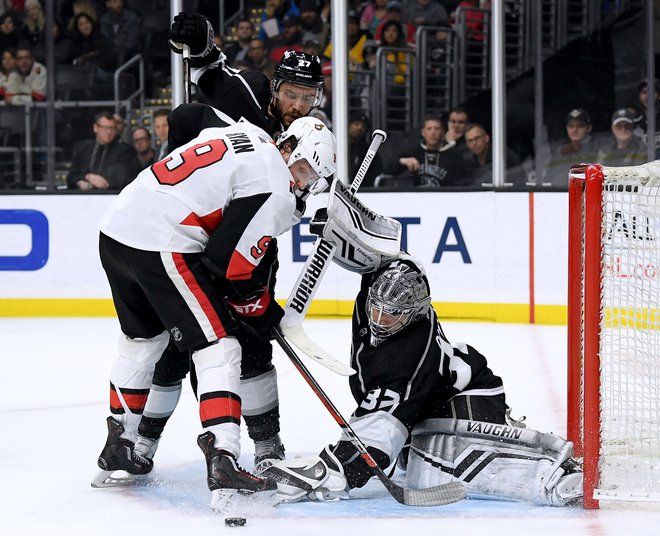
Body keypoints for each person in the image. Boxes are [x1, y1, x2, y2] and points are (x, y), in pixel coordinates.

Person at [261, 193, 583, 507]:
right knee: (413, 457)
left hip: (469, 395)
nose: (380, 319)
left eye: (392, 313)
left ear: (413, 312)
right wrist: (340, 224)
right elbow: (383, 247)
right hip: (428, 403)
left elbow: (381, 426)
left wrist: (337, 470)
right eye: (377, 308)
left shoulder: (407, 355)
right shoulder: (383, 287)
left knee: (432, 469)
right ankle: (504, 438)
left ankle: (552, 474)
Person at [92, 109, 337, 511]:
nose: (305, 183)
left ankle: (120, 440)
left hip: (117, 228)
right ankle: (223, 457)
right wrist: (261, 310)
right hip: (162, 241)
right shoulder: (277, 188)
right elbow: (227, 267)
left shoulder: (248, 132)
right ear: (294, 153)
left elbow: (192, 116)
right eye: (308, 172)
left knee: (141, 342)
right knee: (220, 347)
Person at [123, 11, 329, 480]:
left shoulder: (309, 138)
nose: (298, 104)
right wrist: (199, 45)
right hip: (191, 242)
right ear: (275, 89)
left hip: (249, 251)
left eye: (307, 96)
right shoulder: (251, 93)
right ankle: (141, 442)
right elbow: (214, 74)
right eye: (291, 94)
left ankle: (267, 447)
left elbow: (312, 195)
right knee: (177, 346)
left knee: (254, 346)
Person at [66, 110, 140, 190]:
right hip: (83, 198)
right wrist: (87, 177)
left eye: (112, 128)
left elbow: (122, 180)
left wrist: (92, 185)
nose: (109, 132)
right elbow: (70, 178)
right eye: (105, 128)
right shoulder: (83, 149)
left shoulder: (125, 152)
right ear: (95, 128)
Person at [387, 115, 468, 187]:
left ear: (442, 132)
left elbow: (462, 183)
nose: (433, 132)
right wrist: (402, 161)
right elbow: (388, 169)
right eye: (429, 129)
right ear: (423, 132)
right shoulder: (414, 152)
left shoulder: (454, 156)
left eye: (436, 129)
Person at [543, 109, 599, 186]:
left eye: (580, 126)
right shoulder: (561, 151)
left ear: (589, 128)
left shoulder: (598, 150)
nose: (574, 130)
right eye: (571, 126)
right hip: (556, 194)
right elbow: (548, 178)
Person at [99, 0, 140, 65]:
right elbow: (105, 39)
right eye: (115, 1)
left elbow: (131, 41)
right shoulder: (104, 19)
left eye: (120, 1)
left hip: (129, 53)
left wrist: (118, 48)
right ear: (108, 4)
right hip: (111, 54)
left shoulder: (131, 17)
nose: (119, 4)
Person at [348, 110, 382, 187]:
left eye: (363, 126)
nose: (359, 128)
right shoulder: (337, 147)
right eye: (356, 124)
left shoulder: (369, 152)